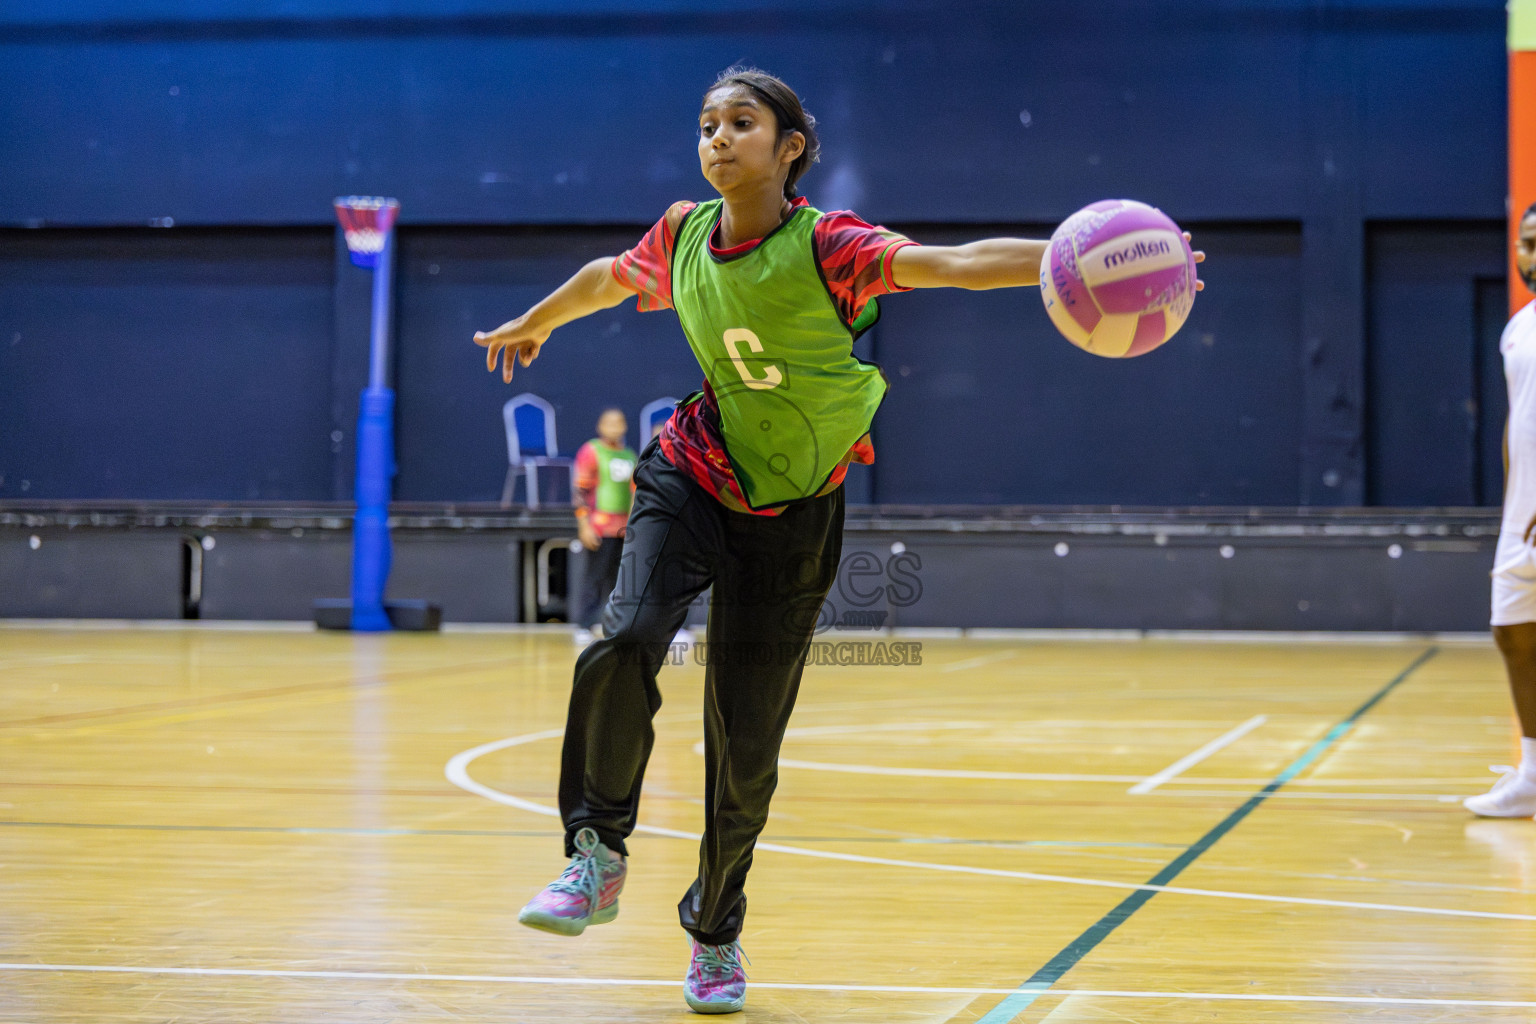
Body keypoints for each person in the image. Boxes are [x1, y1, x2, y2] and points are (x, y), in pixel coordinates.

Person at [474, 66, 1203, 1014]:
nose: (718, 139)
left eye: (743, 123)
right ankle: (594, 853)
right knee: (623, 634)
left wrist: (1094, 250)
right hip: (692, 471)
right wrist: (537, 322)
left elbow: (957, 263)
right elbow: (609, 280)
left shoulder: (831, 246)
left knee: (746, 749)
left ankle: (716, 933)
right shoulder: (683, 235)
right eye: (707, 125)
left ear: (791, 150)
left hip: (798, 512)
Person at [1466, 201, 1536, 819]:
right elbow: (1522, 425)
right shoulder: (1517, 327)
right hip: (1524, 517)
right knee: (1513, 633)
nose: (1531, 255)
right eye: (1526, 242)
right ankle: (1533, 775)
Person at [570, 408, 636, 647]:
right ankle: (585, 625)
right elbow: (581, 490)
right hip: (599, 527)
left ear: (625, 427)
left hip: (623, 529)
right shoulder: (592, 451)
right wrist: (584, 524)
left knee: (620, 580)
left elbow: (634, 493)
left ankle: (616, 624)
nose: (614, 427)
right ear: (600, 426)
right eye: (609, 423)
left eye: (619, 423)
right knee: (594, 577)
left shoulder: (630, 455)